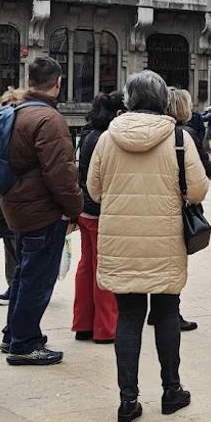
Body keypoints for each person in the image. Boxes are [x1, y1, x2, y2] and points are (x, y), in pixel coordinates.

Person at [86, 71, 208, 422]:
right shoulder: (179, 138)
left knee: (129, 316)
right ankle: (171, 391)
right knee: (167, 313)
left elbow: (93, 191)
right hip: (165, 238)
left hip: (121, 241)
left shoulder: (108, 138)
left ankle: (128, 400)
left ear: (129, 100)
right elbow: (198, 192)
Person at [0, 57, 83, 366]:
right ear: (58, 83)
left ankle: (13, 334)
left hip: (17, 207)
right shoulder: (49, 120)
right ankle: (25, 342)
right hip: (42, 212)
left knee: (23, 274)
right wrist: (75, 209)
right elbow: (61, 173)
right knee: (37, 279)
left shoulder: (15, 112)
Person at [73, 91, 125, 345]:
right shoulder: (108, 138)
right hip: (103, 210)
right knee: (104, 269)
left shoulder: (86, 133)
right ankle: (105, 328)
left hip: (85, 209)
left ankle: (83, 323)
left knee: (86, 266)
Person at [168, 87, 211, 331]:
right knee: (175, 261)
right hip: (178, 206)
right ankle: (171, 311)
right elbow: (201, 174)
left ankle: (158, 310)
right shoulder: (186, 135)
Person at [0, 88, 24, 307]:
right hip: (12, 197)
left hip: (11, 197)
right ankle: (15, 286)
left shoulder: (11, 131)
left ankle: (16, 286)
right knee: (13, 244)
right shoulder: (10, 130)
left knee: (14, 245)